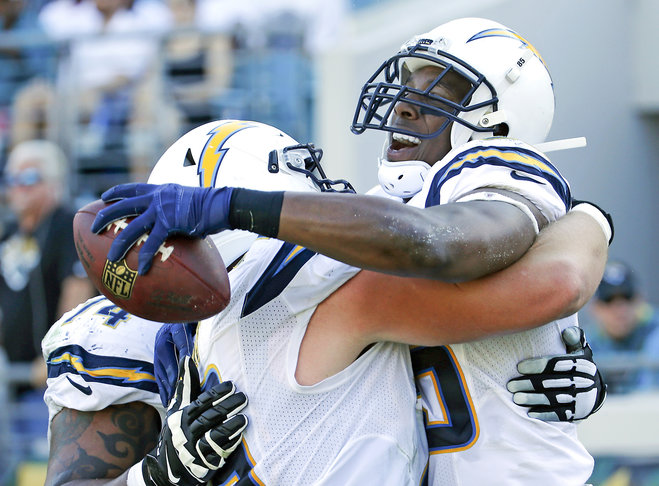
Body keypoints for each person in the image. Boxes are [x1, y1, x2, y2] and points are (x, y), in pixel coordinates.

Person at [93, 104, 610, 486]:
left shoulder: (182, 332)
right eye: (300, 183)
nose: (325, 193)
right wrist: (590, 219)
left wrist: (153, 476)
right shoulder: (331, 289)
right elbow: (552, 285)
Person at [0, 139, 95, 461]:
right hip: (14, 374)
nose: (18, 187)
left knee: (44, 464)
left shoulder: (71, 224)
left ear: (54, 183)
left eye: (29, 179)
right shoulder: (9, 233)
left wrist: (55, 355)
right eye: (12, 179)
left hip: (56, 378)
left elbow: (76, 290)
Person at [582, 260, 659, 394]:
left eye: (627, 298)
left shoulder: (654, 332)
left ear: (640, 299)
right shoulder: (585, 344)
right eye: (609, 300)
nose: (620, 310)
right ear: (595, 308)